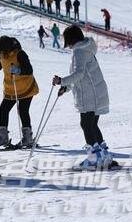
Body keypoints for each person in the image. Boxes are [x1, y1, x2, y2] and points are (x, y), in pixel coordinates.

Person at [52, 25, 114, 169]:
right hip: (96, 93)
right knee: (92, 125)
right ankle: (104, 155)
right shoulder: (86, 49)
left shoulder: (79, 52)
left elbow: (79, 74)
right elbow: (82, 76)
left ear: (72, 39)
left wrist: (61, 80)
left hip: (90, 95)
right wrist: (66, 87)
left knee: (86, 124)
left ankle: (94, 159)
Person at [0, 36, 39, 149]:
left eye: (0, 49)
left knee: (23, 110)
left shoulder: (19, 54)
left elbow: (29, 69)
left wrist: (19, 70)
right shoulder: (2, 54)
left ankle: (27, 138)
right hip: (11, 89)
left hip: (26, 87)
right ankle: (3, 137)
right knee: (3, 109)